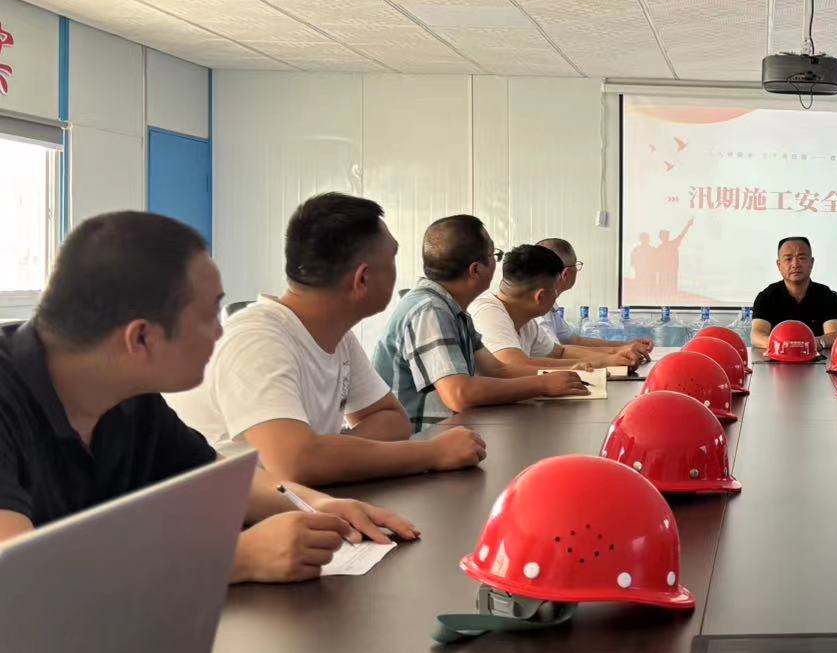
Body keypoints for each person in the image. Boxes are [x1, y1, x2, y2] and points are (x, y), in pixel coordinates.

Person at [0, 212, 418, 583]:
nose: (221, 333)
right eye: (209, 316)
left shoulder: (129, 396)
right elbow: (18, 576)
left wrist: (318, 506)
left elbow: (222, 481)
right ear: (141, 338)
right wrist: (235, 558)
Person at [171, 193, 486, 486]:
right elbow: (295, 464)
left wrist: (327, 453)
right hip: (233, 519)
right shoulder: (257, 340)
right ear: (363, 278)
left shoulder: (338, 335)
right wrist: (432, 453)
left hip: (298, 504)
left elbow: (393, 421)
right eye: (392, 257)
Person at [373, 215, 584, 429]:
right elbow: (459, 394)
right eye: (494, 255)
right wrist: (542, 384)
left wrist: (565, 375)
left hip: (449, 435)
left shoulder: (454, 311)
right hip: (417, 442)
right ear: (476, 270)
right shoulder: (430, 310)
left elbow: (498, 370)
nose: (496, 263)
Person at [471, 245, 645, 374]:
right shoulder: (488, 313)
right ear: (540, 297)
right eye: (555, 290)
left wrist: (614, 355)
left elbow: (561, 352)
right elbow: (515, 366)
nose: (556, 296)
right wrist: (601, 363)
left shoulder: (525, 320)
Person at [538, 237, 650, 365]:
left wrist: (625, 347)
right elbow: (556, 356)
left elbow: (574, 343)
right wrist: (612, 357)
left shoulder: (548, 306)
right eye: (576, 265)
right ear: (566, 274)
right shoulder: (538, 312)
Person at [751, 236, 837, 347]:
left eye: (802, 258)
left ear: (812, 262)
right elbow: (757, 335)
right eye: (788, 259)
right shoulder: (766, 297)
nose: (795, 264)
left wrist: (814, 343)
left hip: (817, 355)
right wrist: (784, 346)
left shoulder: (828, 296)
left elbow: (835, 334)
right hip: (777, 355)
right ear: (779, 265)